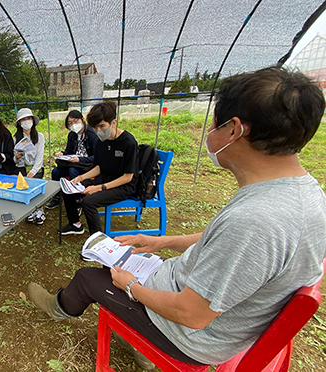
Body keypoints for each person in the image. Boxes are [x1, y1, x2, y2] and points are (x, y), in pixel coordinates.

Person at [28, 67, 326, 369]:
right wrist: (162, 242)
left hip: (188, 335)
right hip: (193, 303)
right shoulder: (304, 195)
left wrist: (131, 286)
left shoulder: (255, 221)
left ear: (234, 129)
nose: (210, 132)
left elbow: (192, 314)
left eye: (214, 123)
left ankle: (61, 308)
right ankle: (134, 334)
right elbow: (219, 240)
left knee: (89, 278)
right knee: (119, 260)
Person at [58, 101, 138, 236]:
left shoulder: (128, 142)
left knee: (89, 202)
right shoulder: (102, 141)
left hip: (123, 185)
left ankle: (98, 242)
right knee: (68, 188)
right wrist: (81, 178)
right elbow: (99, 167)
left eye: (102, 126)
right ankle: (75, 224)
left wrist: (100, 187)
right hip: (105, 178)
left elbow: (128, 177)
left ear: (113, 122)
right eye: (95, 128)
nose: (99, 131)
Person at [45, 110, 98, 210]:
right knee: (56, 172)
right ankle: (57, 197)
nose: (73, 125)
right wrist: (62, 154)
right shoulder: (72, 135)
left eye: (75, 121)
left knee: (72, 170)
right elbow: (68, 151)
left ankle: (78, 199)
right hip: (73, 163)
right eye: (70, 123)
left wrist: (80, 159)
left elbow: (96, 157)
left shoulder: (92, 134)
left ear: (82, 120)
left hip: (87, 165)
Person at [13, 108, 46, 224]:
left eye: (28, 118)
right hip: (21, 167)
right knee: (24, 187)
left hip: (35, 167)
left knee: (35, 185)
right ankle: (29, 210)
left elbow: (40, 158)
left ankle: (39, 210)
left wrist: (33, 171)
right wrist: (16, 157)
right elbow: (14, 160)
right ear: (19, 123)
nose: (26, 122)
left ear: (32, 120)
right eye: (23, 120)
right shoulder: (15, 138)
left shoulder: (40, 137)